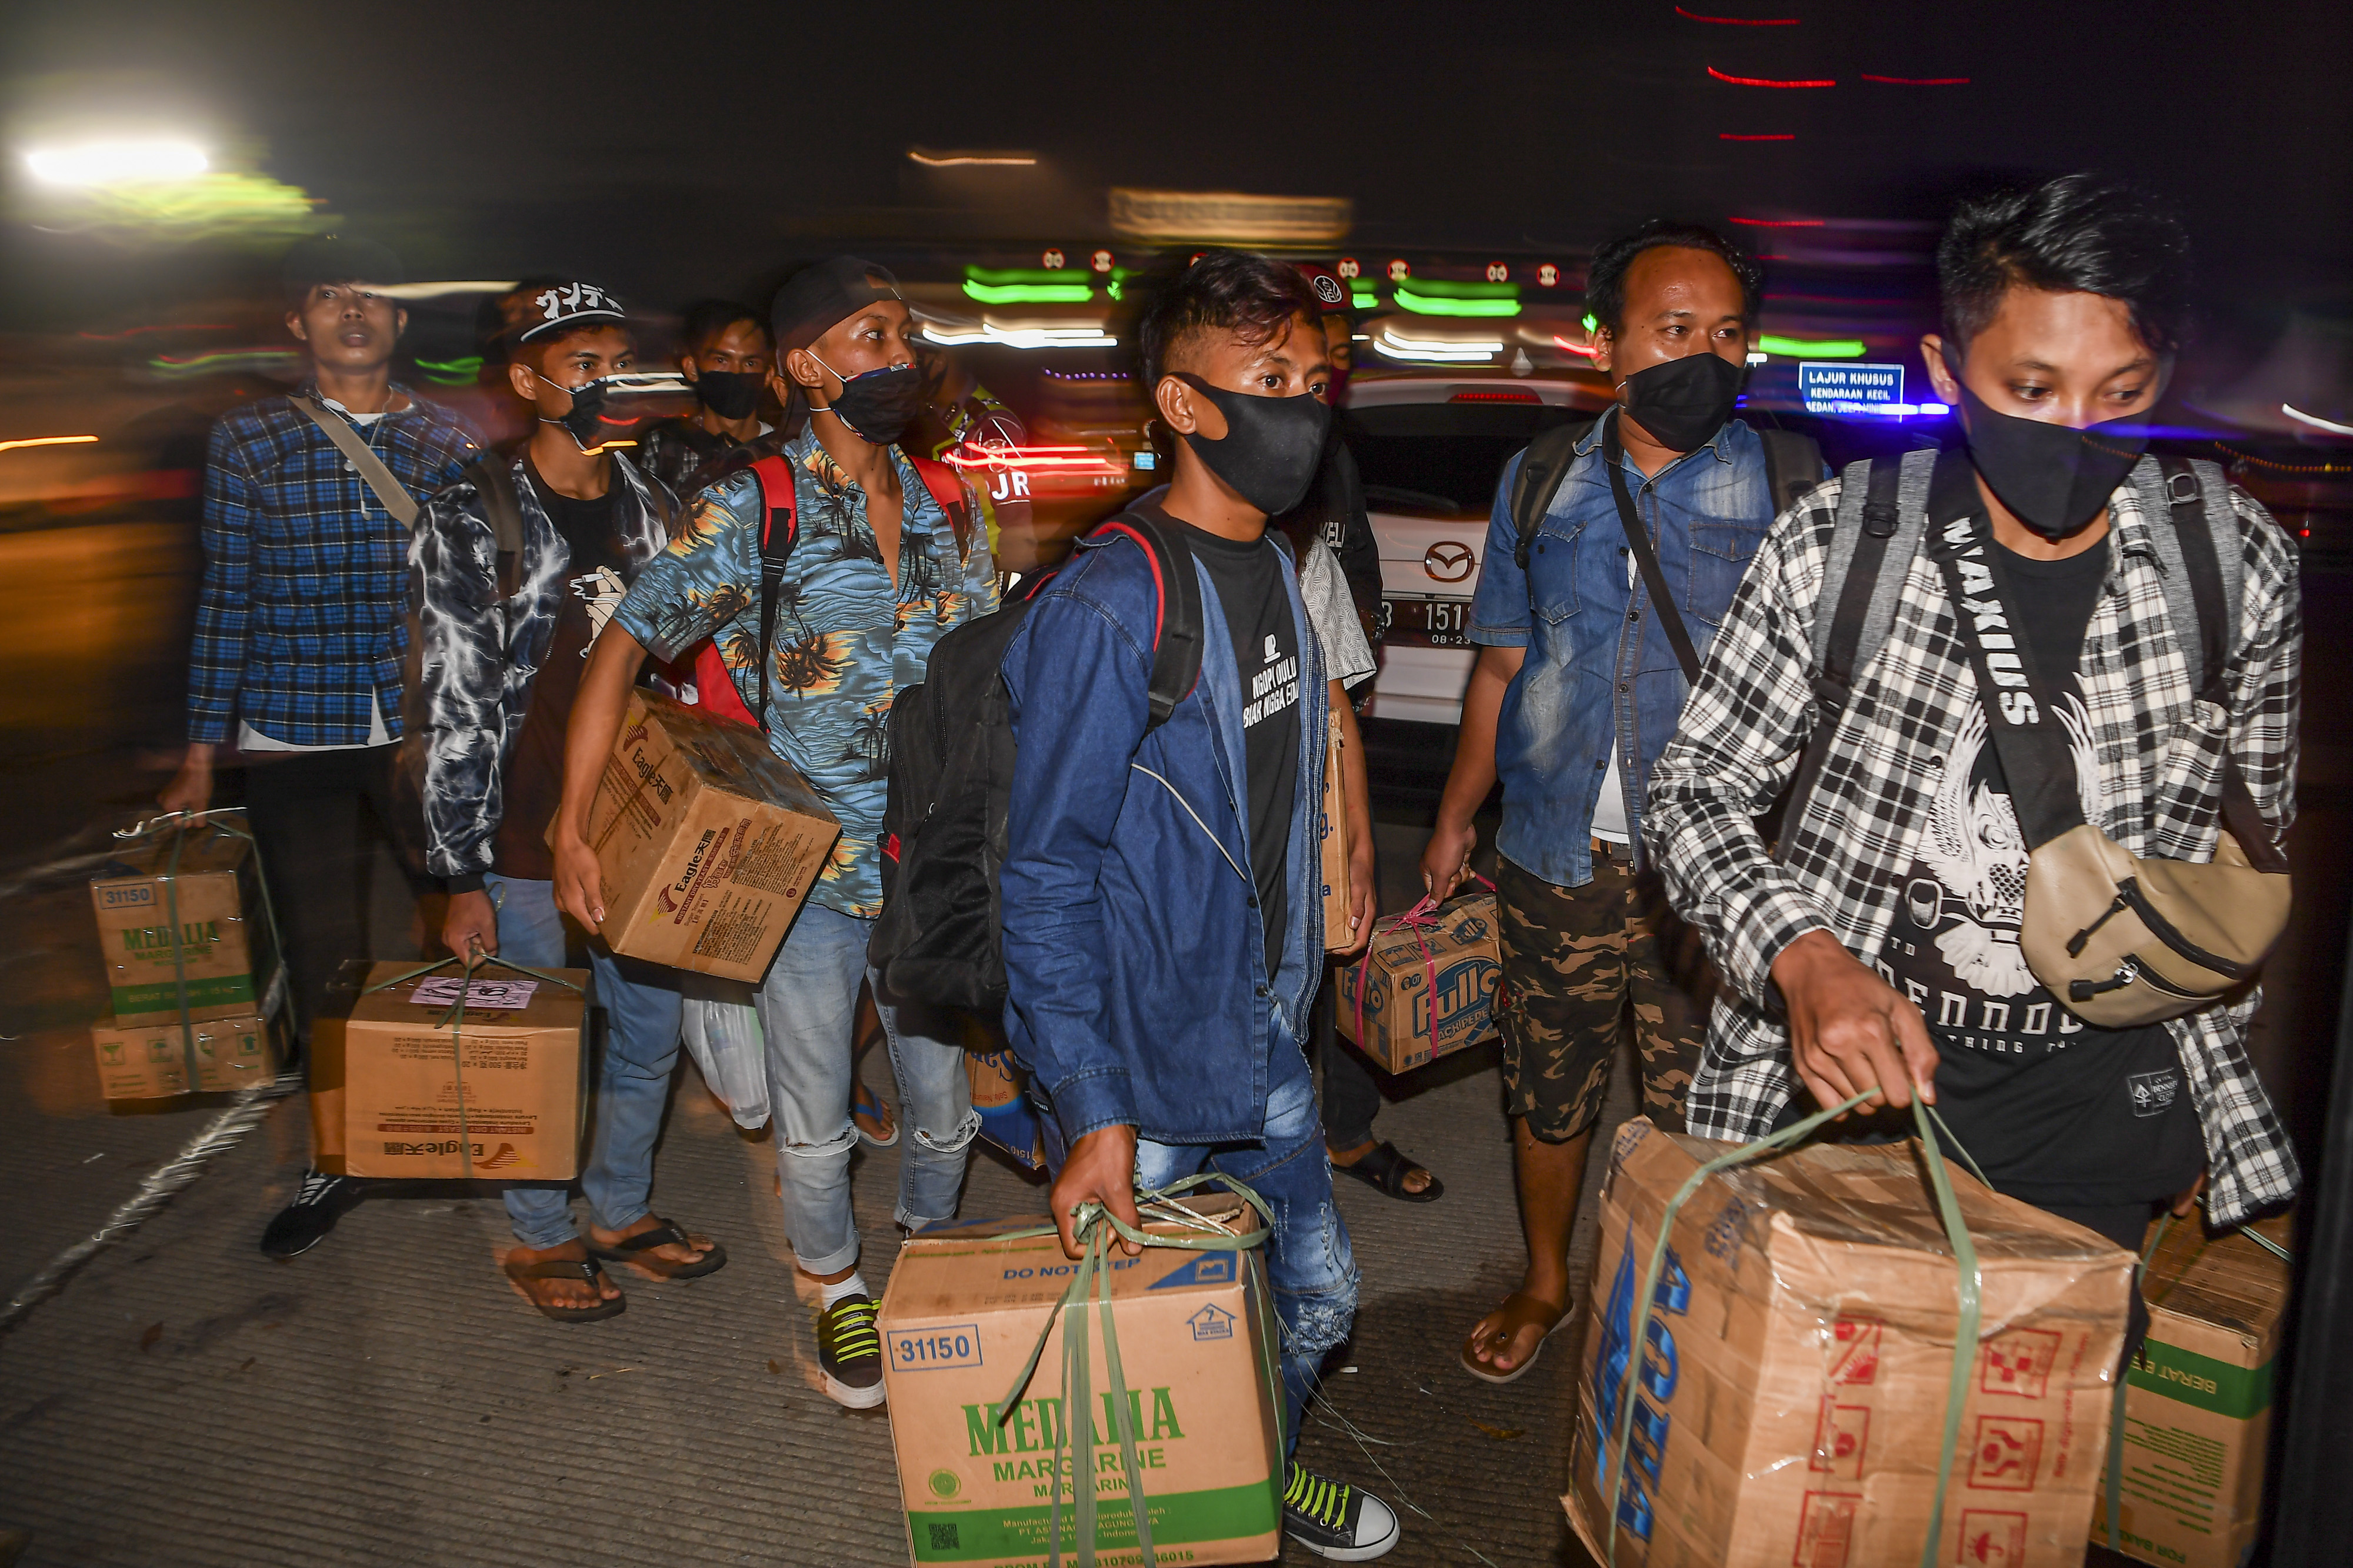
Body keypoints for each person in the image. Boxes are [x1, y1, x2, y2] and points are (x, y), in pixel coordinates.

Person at [1647, 176, 2299, 1355]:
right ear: (1946, 372)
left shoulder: (2234, 564)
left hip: (2093, 1127)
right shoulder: (1841, 544)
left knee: (2013, 1488)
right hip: (1842, 1115)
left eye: (2123, 394)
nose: (2074, 430)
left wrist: (2210, 1080)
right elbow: (1691, 791)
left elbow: (2247, 854)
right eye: (2029, 389)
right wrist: (1800, 958)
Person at [1000, 249, 1401, 1560]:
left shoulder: (1278, 570)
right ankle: (1161, 1520)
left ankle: (1244, 1482)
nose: (1303, 403)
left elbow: (1301, 750)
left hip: (1262, 1032)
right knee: (1131, 1358)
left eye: (1311, 376)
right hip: (1149, 1056)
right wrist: (1091, 1108)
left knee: (1316, 1297)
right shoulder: (1115, 603)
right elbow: (1044, 872)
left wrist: (1343, 853)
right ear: (1181, 404)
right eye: (1267, 377)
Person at [549, 257, 992, 1405]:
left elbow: (995, 678)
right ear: (805, 365)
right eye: (870, 335)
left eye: (904, 332)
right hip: (802, 870)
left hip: (933, 868)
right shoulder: (757, 504)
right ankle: (834, 1284)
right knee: (813, 1120)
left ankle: (931, 1260)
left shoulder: (949, 500)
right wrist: (573, 826)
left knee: (943, 1114)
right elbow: (622, 649)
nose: (898, 354)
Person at [1422, 221, 1798, 1384]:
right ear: (1606, 343)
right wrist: (1451, 818)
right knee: (1548, 1085)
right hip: (1553, 854)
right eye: (1673, 330)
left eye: (1726, 332)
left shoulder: (1792, 485)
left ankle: (1674, 1309)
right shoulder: (1539, 479)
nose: (1704, 354)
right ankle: (1546, 1278)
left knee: (1706, 1116)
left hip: (1716, 873)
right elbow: (1499, 664)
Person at [159, 235, 484, 1260]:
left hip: (417, 733)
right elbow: (227, 595)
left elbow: (471, 606)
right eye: (330, 296)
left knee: (468, 934)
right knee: (320, 958)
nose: (355, 311)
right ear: (298, 323)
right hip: (289, 729)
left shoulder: (447, 443)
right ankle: (335, 1155)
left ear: (399, 323)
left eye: (375, 296)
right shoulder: (248, 439)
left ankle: (472, 1118)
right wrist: (202, 746)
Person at [409, 281, 724, 1321]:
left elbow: (692, 660)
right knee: (538, 1045)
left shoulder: (654, 505)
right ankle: (540, 1234)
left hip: (636, 826)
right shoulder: (474, 512)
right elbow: (454, 704)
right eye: (581, 364)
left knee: (648, 1032)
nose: (605, 381)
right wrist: (459, 875)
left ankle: (617, 1210)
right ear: (529, 380)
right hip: (520, 834)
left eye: (617, 360)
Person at [1276, 271, 1431, 1202]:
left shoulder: (1334, 453)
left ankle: (1341, 1132)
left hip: (1319, 731)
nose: (1318, 368)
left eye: (1329, 347)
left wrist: (1359, 825)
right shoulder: (1149, 554)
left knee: (1335, 948)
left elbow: (1350, 555)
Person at [635, 299, 775, 497]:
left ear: (768, 376)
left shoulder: (785, 451)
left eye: (750, 363)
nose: (736, 372)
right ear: (692, 369)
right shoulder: (665, 447)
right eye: (721, 360)